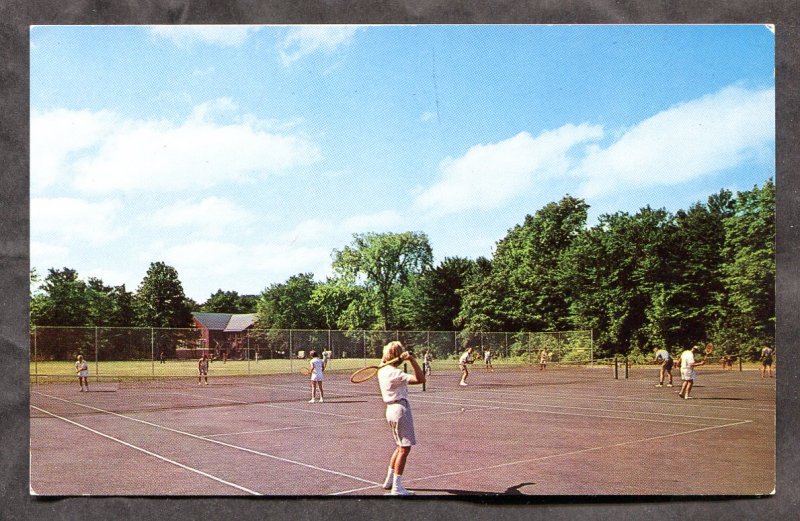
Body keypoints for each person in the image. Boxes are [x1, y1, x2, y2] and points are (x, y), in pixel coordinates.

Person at [377, 341, 425, 495]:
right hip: (399, 409)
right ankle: (397, 488)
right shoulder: (394, 373)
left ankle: (389, 481)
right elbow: (420, 379)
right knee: (405, 448)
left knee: (399, 447)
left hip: (390, 409)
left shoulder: (382, 370)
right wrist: (411, 360)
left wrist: (396, 356)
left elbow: (385, 359)